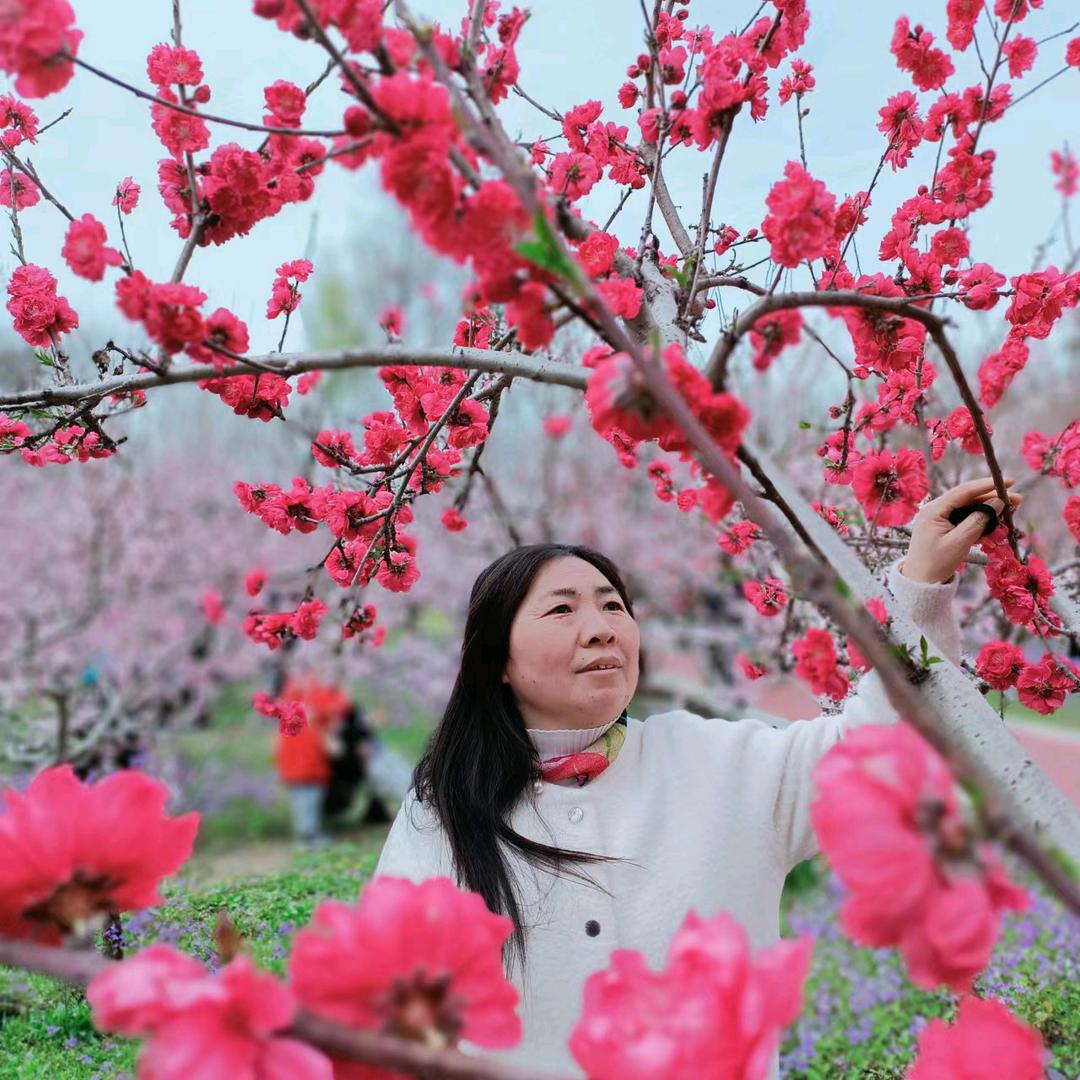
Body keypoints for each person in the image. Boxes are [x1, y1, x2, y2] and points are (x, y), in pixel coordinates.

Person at [374, 477, 1021, 1076]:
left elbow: (871, 748)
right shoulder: (444, 812)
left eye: (612, 605)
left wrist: (919, 585)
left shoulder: (716, 762)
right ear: (499, 661)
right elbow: (392, 1009)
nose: (600, 629)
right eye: (562, 610)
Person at [274, 674, 348, 847]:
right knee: (309, 800)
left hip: (296, 765)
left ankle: (307, 833)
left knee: (302, 801)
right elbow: (337, 709)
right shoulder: (316, 713)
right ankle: (309, 836)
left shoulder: (293, 705)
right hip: (310, 767)